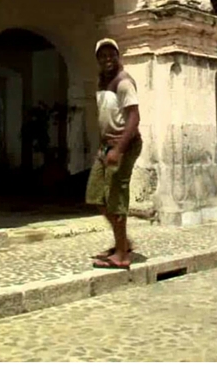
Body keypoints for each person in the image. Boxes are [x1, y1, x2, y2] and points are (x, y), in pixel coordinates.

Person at [87, 38, 141, 270]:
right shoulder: (102, 81)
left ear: (118, 56)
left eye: (111, 55)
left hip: (124, 146)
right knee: (96, 196)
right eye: (103, 55)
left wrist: (119, 150)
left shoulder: (124, 82)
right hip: (106, 146)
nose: (107, 59)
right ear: (98, 59)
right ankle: (123, 241)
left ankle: (121, 255)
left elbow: (134, 117)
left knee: (116, 199)